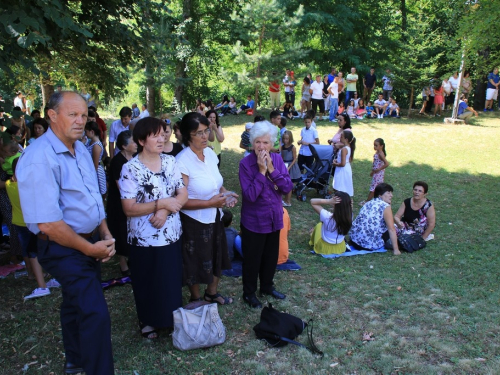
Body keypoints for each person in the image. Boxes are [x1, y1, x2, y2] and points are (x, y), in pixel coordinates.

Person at [17, 91, 116, 374]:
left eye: (84, 115)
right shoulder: (39, 158)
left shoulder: (81, 148)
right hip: (63, 247)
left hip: (89, 240)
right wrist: (88, 249)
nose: (80, 121)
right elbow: (48, 224)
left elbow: (93, 197)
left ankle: (75, 359)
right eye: (72, 114)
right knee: (94, 311)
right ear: (52, 115)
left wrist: (105, 232)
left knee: (76, 303)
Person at [119, 117, 188, 339]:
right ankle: (148, 321)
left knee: (169, 278)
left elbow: (182, 192)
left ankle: (169, 319)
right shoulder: (130, 169)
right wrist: (161, 203)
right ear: (141, 140)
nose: (162, 138)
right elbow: (129, 208)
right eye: (155, 135)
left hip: (171, 234)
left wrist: (165, 209)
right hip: (144, 238)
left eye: (163, 134)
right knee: (147, 279)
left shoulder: (170, 161)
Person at [176, 112, 238, 305]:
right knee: (193, 260)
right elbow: (180, 201)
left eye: (206, 131)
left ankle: (211, 292)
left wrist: (226, 194)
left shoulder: (210, 154)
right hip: (194, 221)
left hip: (215, 216)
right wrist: (210, 203)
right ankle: (195, 298)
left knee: (217, 254)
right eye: (199, 133)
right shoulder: (181, 161)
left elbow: (216, 183)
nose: (205, 136)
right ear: (188, 136)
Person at [239, 120, 293, 308]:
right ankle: (249, 293)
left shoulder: (277, 160)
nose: (261, 147)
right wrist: (262, 172)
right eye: (257, 142)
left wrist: (271, 169)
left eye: (265, 143)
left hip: (274, 218)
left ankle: (267, 287)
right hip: (254, 221)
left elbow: (287, 187)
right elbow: (250, 196)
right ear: (252, 143)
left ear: (272, 144)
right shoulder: (245, 165)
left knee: (271, 256)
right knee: (252, 259)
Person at [107, 131, 137, 276]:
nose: (136, 144)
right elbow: (121, 187)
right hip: (119, 203)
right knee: (120, 232)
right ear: (124, 146)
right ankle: (123, 265)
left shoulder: (136, 158)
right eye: (133, 141)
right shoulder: (117, 162)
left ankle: (132, 258)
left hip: (134, 201)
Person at [349, 183, 401, 255]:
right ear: (380, 195)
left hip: (354, 241)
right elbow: (391, 228)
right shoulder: (385, 206)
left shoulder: (369, 203)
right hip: (368, 245)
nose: (391, 195)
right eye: (388, 193)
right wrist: (396, 250)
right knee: (394, 228)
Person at [359, 138, 389, 206]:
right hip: (376, 173)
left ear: (381, 146)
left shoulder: (381, 154)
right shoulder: (377, 152)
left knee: (373, 188)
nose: (374, 147)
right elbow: (375, 163)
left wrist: (379, 169)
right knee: (377, 187)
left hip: (378, 174)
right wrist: (373, 171)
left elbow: (386, 163)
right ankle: (380, 200)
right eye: (374, 145)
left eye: (376, 145)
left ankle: (367, 201)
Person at [84, 121, 107, 196]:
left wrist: (91, 176)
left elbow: (95, 165)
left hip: (95, 172)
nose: (85, 133)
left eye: (86, 131)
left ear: (92, 132)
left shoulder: (96, 146)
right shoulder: (90, 141)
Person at [280, 130, 300, 207]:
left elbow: (295, 158)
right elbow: (282, 157)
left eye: (287, 139)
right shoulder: (282, 147)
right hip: (284, 165)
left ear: (290, 139)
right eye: (284, 138)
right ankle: (285, 199)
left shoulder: (293, 147)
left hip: (291, 166)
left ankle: (288, 201)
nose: (285, 140)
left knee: (290, 183)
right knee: (284, 183)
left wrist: (289, 167)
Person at [332, 130, 355, 197]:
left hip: (342, 170)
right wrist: (336, 160)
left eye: (341, 137)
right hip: (344, 169)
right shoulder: (347, 148)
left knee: (339, 188)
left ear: (346, 139)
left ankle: (339, 204)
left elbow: (343, 163)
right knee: (341, 187)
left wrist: (335, 164)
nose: (340, 138)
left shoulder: (344, 149)